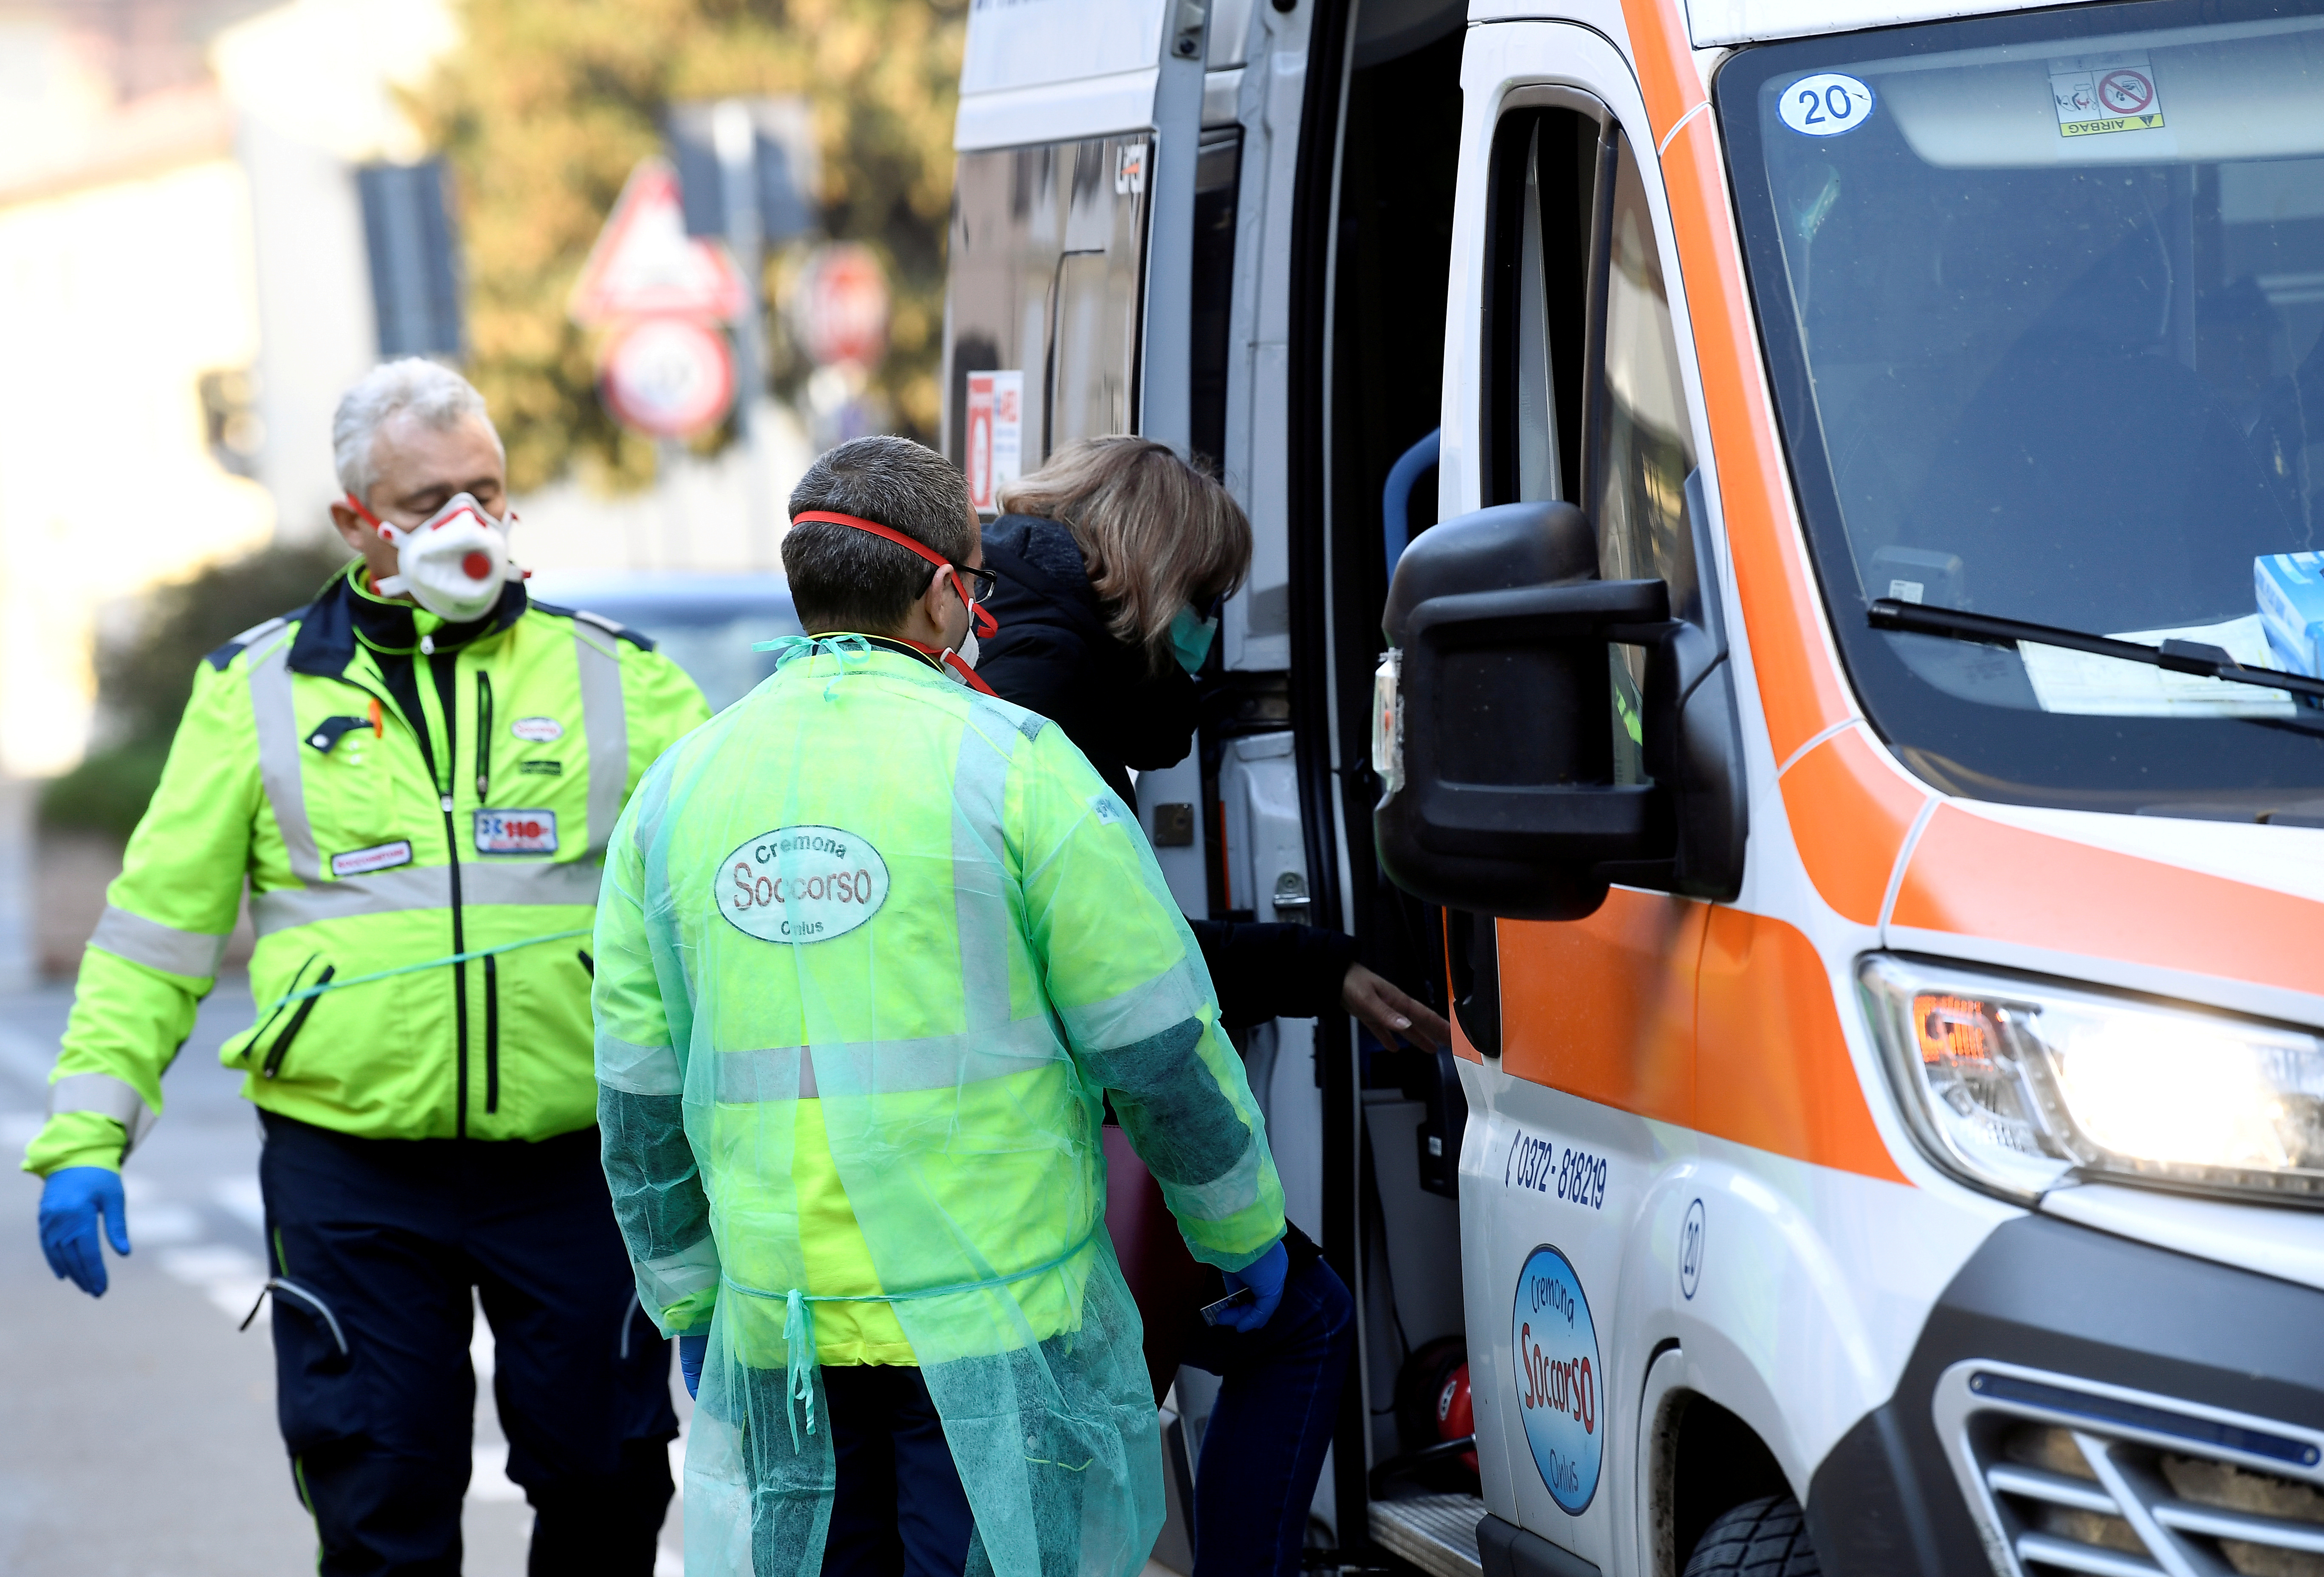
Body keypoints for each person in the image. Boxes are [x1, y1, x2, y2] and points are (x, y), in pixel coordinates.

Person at [24, 359, 713, 1576]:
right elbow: (154, 937)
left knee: (608, 1481)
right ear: (358, 523)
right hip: (353, 1175)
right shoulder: (255, 694)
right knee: (379, 1500)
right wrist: (87, 1136)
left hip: (575, 1167)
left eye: (486, 490)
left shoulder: (627, 681)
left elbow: (717, 920)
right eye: (427, 496)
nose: (467, 522)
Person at [591, 435, 1288, 1577]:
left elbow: (637, 1095)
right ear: (946, 591)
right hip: (989, 1328)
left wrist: (686, 1299)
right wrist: (1239, 1232)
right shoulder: (1021, 768)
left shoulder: (682, 789)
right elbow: (1157, 1049)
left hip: (786, 1324)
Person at [975, 435, 1450, 1577]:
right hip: (1009, 1150)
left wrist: (1312, 966)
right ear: (1144, 571)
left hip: (944, 1146)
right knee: (1305, 1320)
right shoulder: (1049, 693)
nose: (1209, 633)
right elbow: (1110, 966)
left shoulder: (1004, 647)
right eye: (1205, 597)